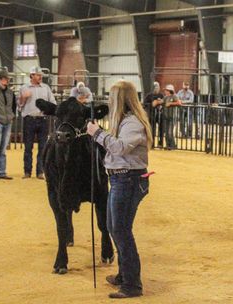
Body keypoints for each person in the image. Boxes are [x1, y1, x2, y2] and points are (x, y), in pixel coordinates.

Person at [86, 80, 152, 299]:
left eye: (112, 97)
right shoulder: (124, 122)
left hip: (128, 180)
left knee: (121, 231)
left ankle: (132, 284)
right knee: (115, 228)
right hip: (121, 180)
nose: (109, 101)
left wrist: (98, 134)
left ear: (120, 100)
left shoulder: (133, 123)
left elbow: (120, 148)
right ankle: (124, 275)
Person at [19, 66, 56, 180]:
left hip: (43, 120)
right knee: (28, 147)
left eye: (40, 75)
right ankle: (27, 171)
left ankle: (40, 172)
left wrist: (48, 109)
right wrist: (23, 98)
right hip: (29, 119)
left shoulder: (46, 88)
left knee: (43, 147)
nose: (40, 77)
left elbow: (53, 103)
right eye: (38, 75)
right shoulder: (24, 88)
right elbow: (19, 106)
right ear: (32, 76)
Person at [153, 84, 181, 150]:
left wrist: (171, 103)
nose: (165, 91)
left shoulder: (174, 96)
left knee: (169, 132)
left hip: (172, 117)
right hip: (166, 116)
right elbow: (161, 102)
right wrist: (156, 102)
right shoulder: (165, 97)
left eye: (166, 90)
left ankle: (172, 145)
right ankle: (169, 145)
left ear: (170, 91)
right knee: (166, 131)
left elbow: (179, 103)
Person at [142, 81, 164, 148]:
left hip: (159, 114)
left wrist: (160, 103)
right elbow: (144, 104)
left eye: (158, 86)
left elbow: (164, 102)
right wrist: (151, 104)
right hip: (151, 115)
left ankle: (161, 143)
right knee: (152, 129)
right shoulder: (149, 95)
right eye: (155, 87)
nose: (157, 88)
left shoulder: (161, 95)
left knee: (161, 129)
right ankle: (152, 143)